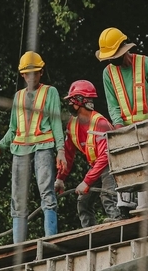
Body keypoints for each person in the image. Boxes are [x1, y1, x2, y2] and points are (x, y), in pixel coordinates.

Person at [0, 51, 66, 243]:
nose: (31, 77)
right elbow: (13, 129)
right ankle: (18, 245)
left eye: (35, 73)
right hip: (20, 149)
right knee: (18, 197)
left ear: (40, 72)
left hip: (43, 146)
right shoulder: (18, 97)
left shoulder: (50, 92)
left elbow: (56, 124)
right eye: (27, 74)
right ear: (23, 75)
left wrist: (61, 151)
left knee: (46, 190)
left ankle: (50, 239)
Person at [96, 28, 148, 212]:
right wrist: (119, 128)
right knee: (124, 162)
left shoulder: (147, 64)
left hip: (147, 124)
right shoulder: (108, 73)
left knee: (146, 166)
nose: (113, 60)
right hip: (124, 126)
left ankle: (145, 206)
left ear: (124, 49)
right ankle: (125, 204)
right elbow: (113, 104)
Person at [55, 80, 123, 227]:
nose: (69, 104)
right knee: (83, 202)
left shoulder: (100, 123)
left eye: (71, 100)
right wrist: (60, 178)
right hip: (96, 166)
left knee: (108, 195)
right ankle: (89, 232)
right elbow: (68, 154)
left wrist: (86, 181)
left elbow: (105, 156)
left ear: (80, 101)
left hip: (111, 164)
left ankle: (119, 223)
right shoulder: (72, 125)